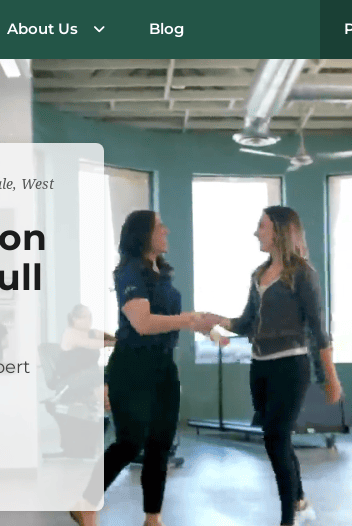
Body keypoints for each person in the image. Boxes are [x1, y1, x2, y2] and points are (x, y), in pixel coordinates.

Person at [202, 206, 342, 526]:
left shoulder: (303, 274)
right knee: (276, 439)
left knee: (276, 438)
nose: (256, 232)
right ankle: (301, 501)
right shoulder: (257, 275)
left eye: (261, 226)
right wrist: (217, 320)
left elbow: (319, 329)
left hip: (291, 366)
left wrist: (331, 378)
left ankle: (287, 519)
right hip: (260, 367)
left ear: (279, 230)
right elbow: (246, 323)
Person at [71, 210, 209, 526]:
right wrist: (188, 320)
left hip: (162, 366)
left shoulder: (163, 274)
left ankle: (153, 517)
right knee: (130, 442)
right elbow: (142, 323)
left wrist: (195, 321)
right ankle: (84, 500)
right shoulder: (129, 272)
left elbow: (163, 320)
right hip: (132, 366)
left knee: (161, 442)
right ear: (144, 234)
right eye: (160, 226)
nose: (166, 230)